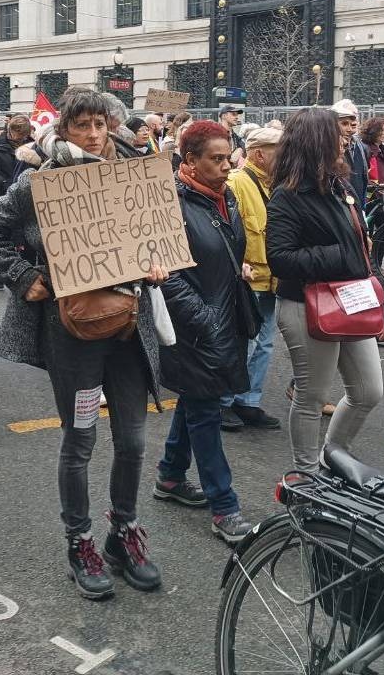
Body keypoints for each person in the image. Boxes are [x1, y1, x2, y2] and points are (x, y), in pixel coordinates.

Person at [0, 89, 167, 600]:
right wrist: (22, 275)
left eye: (101, 124)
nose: (95, 134)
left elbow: (157, 237)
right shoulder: (39, 183)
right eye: (82, 125)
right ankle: (79, 540)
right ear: (64, 130)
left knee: (133, 441)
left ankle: (123, 533)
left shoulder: (136, 174)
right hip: (74, 332)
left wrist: (157, 262)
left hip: (128, 327)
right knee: (80, 440)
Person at [268, 108, 384, 470]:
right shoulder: (287, 196)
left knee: (369, 392)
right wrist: (340, 254)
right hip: (307, 306)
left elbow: (362, 250)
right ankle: (306, 475)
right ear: (315, 143)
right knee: (311, 396)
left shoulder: (341, 186)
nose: (345, 140)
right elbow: (281, 259)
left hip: (353, 300)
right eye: (336, 135)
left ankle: (332, 456)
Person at [153, 120, 256, 545]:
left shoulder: (223, 196)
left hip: (220, 319)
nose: (227, 166)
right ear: (189, 161)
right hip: (193, 328)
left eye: (228, 156)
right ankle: (224, 506)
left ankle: (170, 477)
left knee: (198, 401)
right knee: (206, 412)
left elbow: (224, 248)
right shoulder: (170, 204)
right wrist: (203, 316)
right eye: (216, 159)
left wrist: (237, 267)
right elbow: (169, 274)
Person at [220, 126, 283, 432]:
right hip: (248, 280)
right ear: (259, 154)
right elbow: (228, 232)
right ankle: (224, 402)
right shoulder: (236, 183)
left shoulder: (277, 185)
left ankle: (249, 402)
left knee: (264, 345)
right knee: (243, 343)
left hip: (272, 279)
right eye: (279, 152)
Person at [332, 100, 368, 208]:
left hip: (357, 206)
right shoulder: (327, 148)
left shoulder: (360, 146)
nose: (349, 129)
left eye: (353, 124)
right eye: (344, 124)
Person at [0, 113, 31, 198]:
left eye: (24, 136)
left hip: (25, 192)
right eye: (20, 136)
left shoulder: (31, 145)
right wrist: (3, 183)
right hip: (5, 193)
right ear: (11, 130)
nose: (22, 138)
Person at [218, 104, 246, 168]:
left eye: (237, 115)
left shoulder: (233, 134)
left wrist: (240, 150)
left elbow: (245, 145)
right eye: (233, 114)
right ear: (224, 116)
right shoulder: (216, 133)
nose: (236, 117)